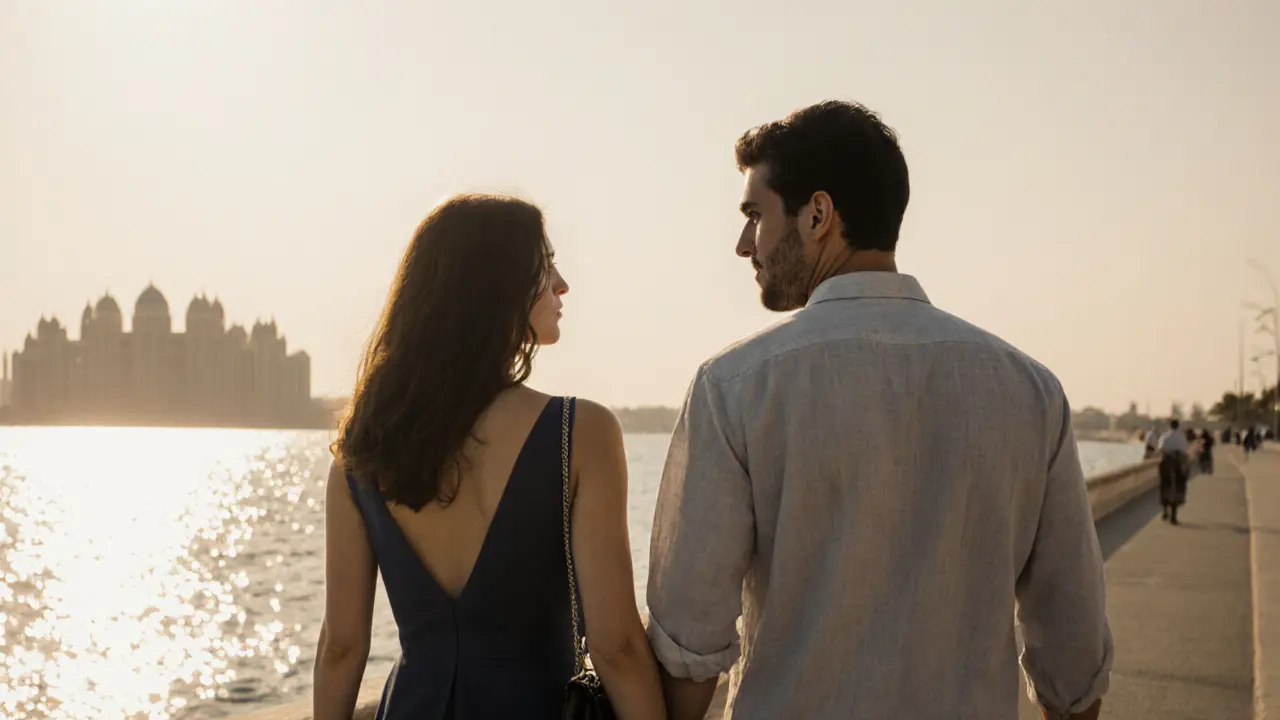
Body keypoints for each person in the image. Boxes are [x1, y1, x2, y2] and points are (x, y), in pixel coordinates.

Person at [646, 101, 1110, 720]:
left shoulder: (736, 386)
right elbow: (1073, 654)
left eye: (755, 215)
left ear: (817, 214)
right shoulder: (1029, 389)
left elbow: (689, 645)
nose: (742, 244)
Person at [314, 195, 665, 720]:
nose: (562, 284)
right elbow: (616, 647)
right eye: (546, 267)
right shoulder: (581, 432)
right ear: (500, 289)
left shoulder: (362, 450)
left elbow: (342, 647)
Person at [1158, 419, 1191, 524]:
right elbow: (1185, 449)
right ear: (1178, 426)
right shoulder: (1182, 437)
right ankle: (1174, 516)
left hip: (1167, 462)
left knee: (1165, 487)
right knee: (1178, 488)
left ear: (1170, 426)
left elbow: (1160, 448)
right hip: (1178, 464)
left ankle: (1165, 511)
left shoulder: (1165, 436)